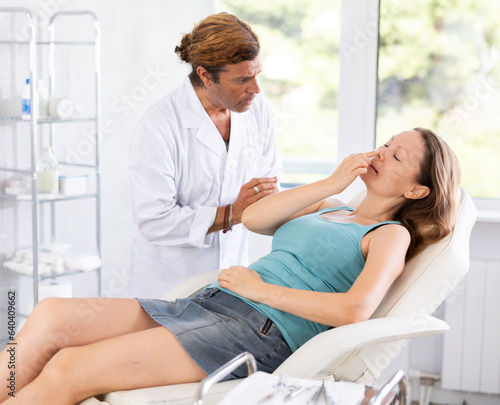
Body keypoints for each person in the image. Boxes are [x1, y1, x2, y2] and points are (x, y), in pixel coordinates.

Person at [0, 128, 460, 405]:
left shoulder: (390, 235)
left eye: (396, 156)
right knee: (52, 315)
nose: (379, 153)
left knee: (71, 368)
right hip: (213, 303)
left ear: (417, 191)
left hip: (257, 331)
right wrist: (333, 181)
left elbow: (355, 310)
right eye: (384, 144)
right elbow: (256, 218)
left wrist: (262, 291)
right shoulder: (331, 205)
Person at [129, 12, 282, 298]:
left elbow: (271, 184)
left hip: (234, 276)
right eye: (242, 79)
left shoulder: (258, 110)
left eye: (257, 74)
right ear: (205, 75)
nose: (256, 89)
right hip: (170, 285)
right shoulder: (160, 126)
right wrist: (232, 213)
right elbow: (154, 220)